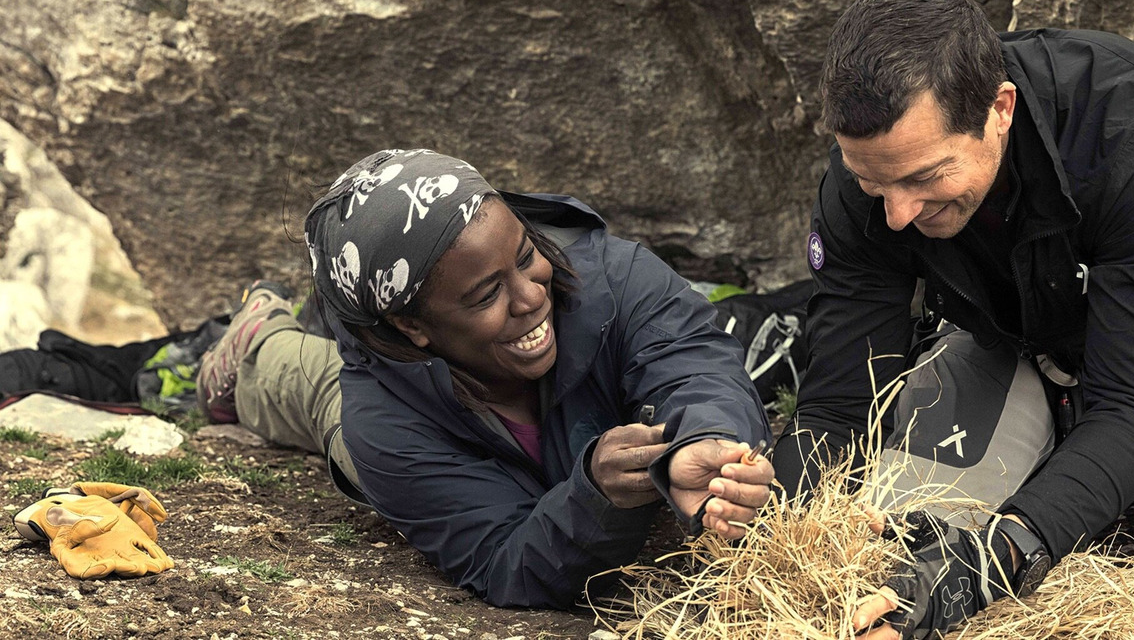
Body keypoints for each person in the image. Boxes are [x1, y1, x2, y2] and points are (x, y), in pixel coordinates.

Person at [771, 0, 1134, 639]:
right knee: (888, 554)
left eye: (924, 178)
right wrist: (769, 509)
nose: (897, 213)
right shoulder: (876, 171)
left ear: (1000, 108)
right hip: (1016, 347)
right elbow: (839, 403)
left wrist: (993, 559)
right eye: (870, 181)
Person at [196, 148, 774, 609]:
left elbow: (693, 361)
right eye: (488, 293)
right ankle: (259, 339)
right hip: (400, 399)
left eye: (524, 257)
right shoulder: (385, 429)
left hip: (433, 368)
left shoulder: (615, 278)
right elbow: (502, 560)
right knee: (328, 398)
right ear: (411, 324)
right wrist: (595, 495)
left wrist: (702, 439)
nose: (531, 296)